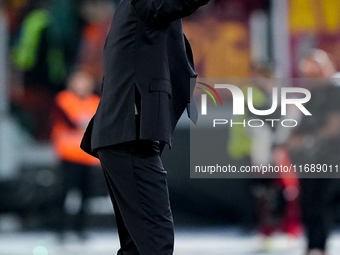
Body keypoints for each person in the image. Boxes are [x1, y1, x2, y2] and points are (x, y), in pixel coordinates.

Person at [80, 0, 210, 254]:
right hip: (130, 135)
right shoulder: (144, 3)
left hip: (125, 134)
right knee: (155, 242)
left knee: (137, 247)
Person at [286, 49, 340, 255]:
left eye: (315, 72)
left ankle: (319, 247)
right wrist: (291, 138)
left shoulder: (335, 90)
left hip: (332, 158)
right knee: (309, 204)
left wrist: (305, 139)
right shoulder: (312, 94)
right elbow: (299, 126)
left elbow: (333, 127)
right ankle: (313, 247)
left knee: (321, 203)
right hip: (310, 160)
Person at [50, 70, 101, 240]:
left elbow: (100, 124)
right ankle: (61, 229)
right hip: (69, 156)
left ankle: (80, 229)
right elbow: (68, 121)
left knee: (86, 196)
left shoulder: (96, 102)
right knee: (64, 194)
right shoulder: (63, 99)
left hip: (89, 157)